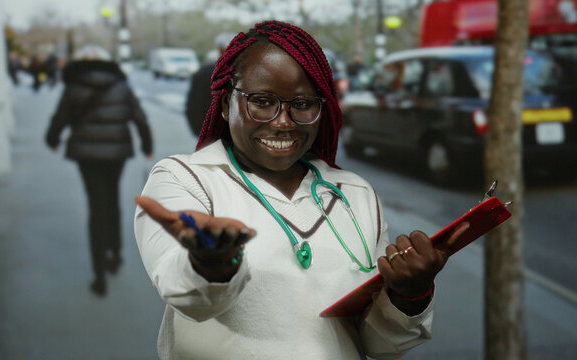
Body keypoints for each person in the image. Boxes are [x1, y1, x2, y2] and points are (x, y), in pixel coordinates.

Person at [134, 21, 468, 359]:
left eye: (303, 104)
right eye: (262, 101)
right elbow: (185, 295)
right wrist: (212, 262)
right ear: (224, 104)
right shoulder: (186, 179)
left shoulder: (353, 194)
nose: (283, 121)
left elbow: (379, 345)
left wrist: (409, 295)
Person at [46, 45, 153, 296]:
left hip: (86, 154)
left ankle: (99, 275)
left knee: (96, 206)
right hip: (116, 152)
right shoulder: (121, 85)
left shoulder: (73, 86)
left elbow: (59, 118)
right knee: (112, 201)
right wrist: (146, 144)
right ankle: (115, 254)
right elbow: (139, 117)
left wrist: (52, 139)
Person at [185, 32, 235, 136]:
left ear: (218, 48)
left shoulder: (204, 73)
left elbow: (193, 107)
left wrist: (200, 133)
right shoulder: (250, 73)